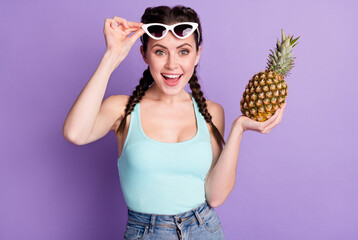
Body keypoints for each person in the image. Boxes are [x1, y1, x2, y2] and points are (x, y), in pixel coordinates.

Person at [62, 5, 286, 240]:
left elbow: (215, 196)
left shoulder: (211, 112)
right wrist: (112, 56)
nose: (172, 64)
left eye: (183, 51)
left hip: (205, 229)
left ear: (197, 54)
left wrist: (238, 128)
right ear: (144, 54)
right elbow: (75, 133)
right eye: (160, 52)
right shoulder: (123, 109)